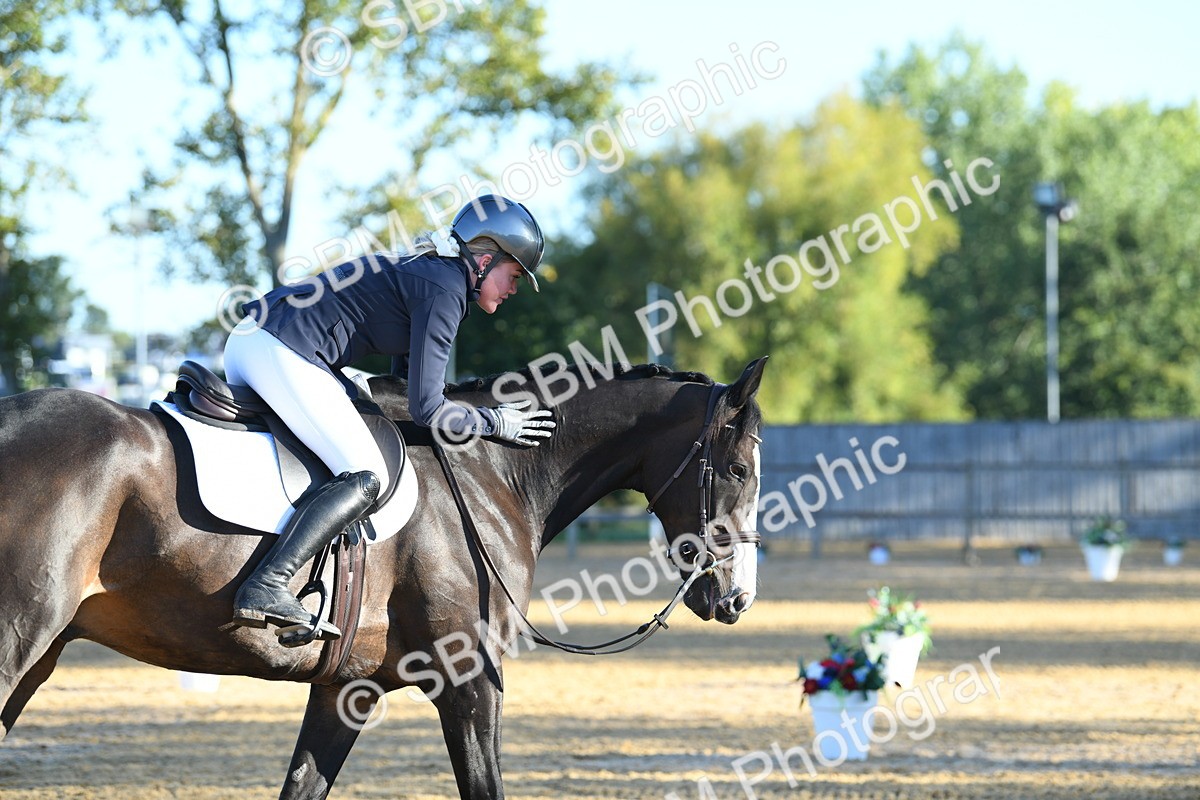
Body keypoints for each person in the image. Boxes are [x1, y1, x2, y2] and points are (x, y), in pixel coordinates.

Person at [222, 194, 556, 640]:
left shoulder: (433, 274)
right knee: (367, 474)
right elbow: (428, 408)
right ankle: (267, 584)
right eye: (513, 275)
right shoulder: (445, 289)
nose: (514, 289)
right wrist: (494, 423)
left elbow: (403, 388)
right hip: (280, 347)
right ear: (484, 260)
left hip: (263, 340)